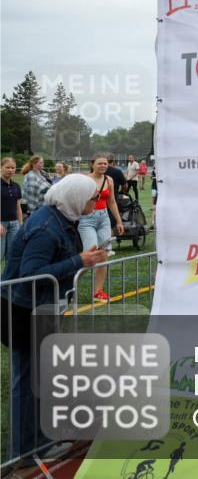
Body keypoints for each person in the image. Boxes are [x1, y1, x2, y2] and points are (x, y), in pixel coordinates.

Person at [1, 174, 108, 461]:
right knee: (27, 383)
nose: (96, 202)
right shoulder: (47, 227)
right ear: (75, 198)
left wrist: (83, 258)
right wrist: (79, 261)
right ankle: (27, 453)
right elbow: (31, 274)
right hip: (26, 311)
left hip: (36, 307)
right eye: (92, 198)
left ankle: (42, 440)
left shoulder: (59, 218)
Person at [81, 155, 124, 302]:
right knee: (91, 255)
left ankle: (98, 292)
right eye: (100, 163)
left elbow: (112, 202)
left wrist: (119, 221)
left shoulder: (109, 180)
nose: (103, 166)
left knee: (104, 254)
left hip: (104, 218)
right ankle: (68, 284)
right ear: (92, 164)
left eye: (105, 163)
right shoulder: (85, 180)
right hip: (87, 219)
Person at [2, 157, 24, 263]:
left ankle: (7, 279)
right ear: (1, 167)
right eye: (7, 167)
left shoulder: (16, 186)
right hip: (1, 224)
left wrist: (20, 224)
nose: (10, 170)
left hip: (14, 224)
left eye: (13, 168)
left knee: (11, 256)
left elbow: (18, 207)